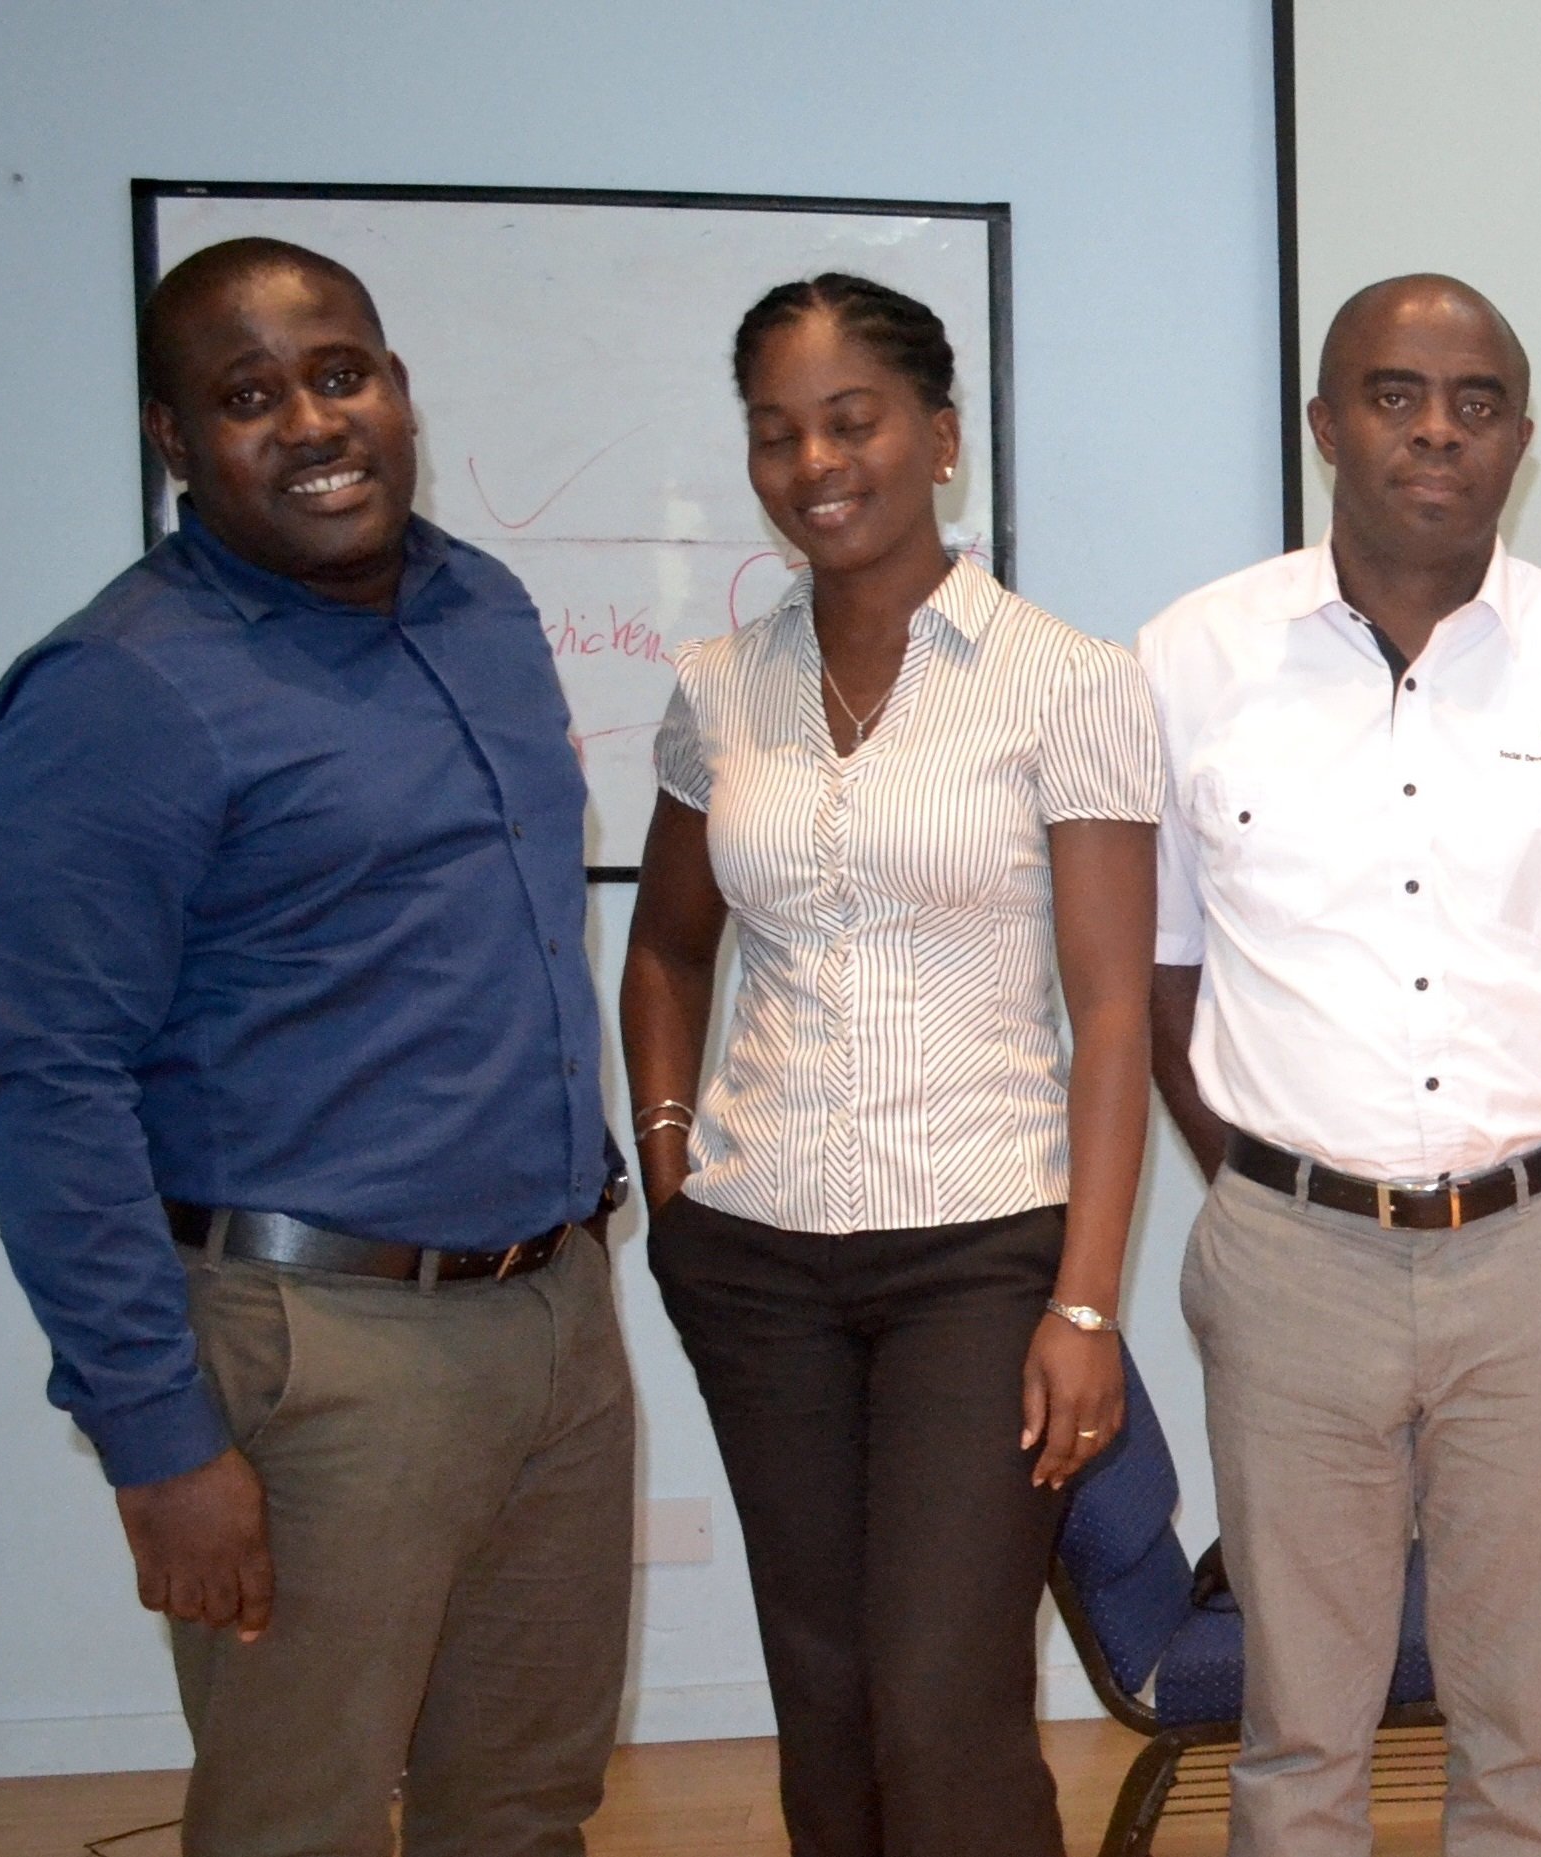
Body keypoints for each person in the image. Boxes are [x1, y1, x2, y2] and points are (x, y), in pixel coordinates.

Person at [0, 238, 632, 1854]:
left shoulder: (484, 604)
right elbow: (50, 1086)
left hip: (555, 1320)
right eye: (249, 397)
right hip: (313, 1351)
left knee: (530, 1804)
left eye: (343, 373)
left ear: (398, 388)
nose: (315, 422)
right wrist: (157, 1437)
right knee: (300, 1822)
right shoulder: (120, 690)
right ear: (176, 441)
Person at [1140, 274, 1541, 1856]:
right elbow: (1163, 968)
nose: (1436, 431)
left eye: (1476, 401)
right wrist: (1276, 1171)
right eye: (1394, 394)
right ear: (1325, 422)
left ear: (1523, 437)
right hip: (1286, 1260)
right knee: (1296, 1725)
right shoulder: (1189, 660)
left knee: (1520, 1725)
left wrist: (1509, 1144)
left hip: (1540, 1259)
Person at [618, 273, 1161, 1857]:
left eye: (850, 420)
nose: (814, 463)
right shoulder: (719, 691)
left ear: (939, 440)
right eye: (776, 434)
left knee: (944, 1697)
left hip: (980, 1255)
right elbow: (665, 947)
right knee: (827, 1685)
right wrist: (673, 1169)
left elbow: (1113, 1016)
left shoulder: (1069, 679)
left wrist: (1084, 1301)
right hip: (756, 1254)